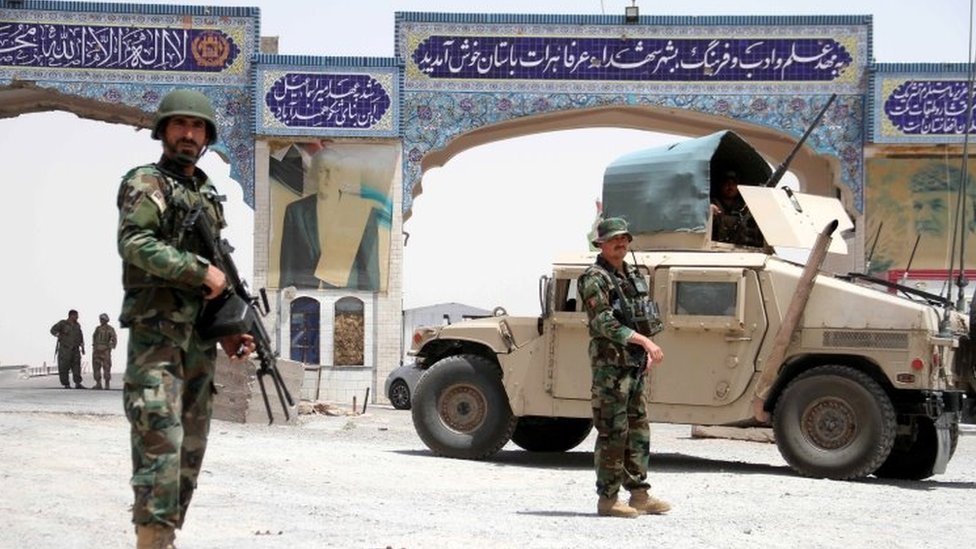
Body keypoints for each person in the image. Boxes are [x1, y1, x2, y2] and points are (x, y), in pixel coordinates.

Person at [116, 88, 255, 548]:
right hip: (156, 342)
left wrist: (231, 330)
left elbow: (217, 276)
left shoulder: (209, 195)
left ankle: (166, 539)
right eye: (180, 125)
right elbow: (135, 243)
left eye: (197, 128)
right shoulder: (146, 183)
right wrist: (199, 270)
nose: (189, 134)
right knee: (161, 447)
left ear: (208, 136)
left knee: (189, 456)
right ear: (163, 131)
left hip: (197, 347)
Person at [578, 217, 671, 518]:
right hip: (610, 368)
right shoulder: (594, 278)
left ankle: (639, 495)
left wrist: (643, 351)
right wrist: (644, 342)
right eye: (614, 238)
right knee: (613, 432)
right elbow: (603, 321)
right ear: (600, 244)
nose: (621, 243)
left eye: (625, 238)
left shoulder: (632, 275)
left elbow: (641, 315)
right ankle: (608, 500)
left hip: (633, 365)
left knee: (638, 431)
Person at [279, 147, 389, 291]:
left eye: (335, 171)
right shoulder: (295, 212)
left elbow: (370, 268)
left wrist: (373, 305)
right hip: (305, 298)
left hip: (348, 301)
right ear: (313, 175)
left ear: (341, 175)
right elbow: (287, 265)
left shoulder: (360, 212)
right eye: (322, 170)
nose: (329, 177)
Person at [710, 170, 764, 247]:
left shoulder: (745, 206)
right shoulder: (712, 203)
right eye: (726, 183)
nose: (730, 186)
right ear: (720, 185)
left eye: (734, 183)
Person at [50, 309, 85, 389]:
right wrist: (58, 335)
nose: (77, 317)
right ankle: (66, 384)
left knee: (77, 367)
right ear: (71, 315)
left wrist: (82, 347)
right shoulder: (62, 323)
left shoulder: (77, 325)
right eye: (76, 315)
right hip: (65, 349)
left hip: (75, 349)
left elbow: (80, 336)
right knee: (64, 367)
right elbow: (52, 330)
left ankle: (78, 383)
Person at [91, 313, 117, 390]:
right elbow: (94, 337)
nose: (101, 321)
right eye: (101, 319)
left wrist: (111, 347)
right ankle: (98, 383)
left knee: (107, 367)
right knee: (96, 367)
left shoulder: (110, 329)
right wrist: (95, 346)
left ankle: (107, 384)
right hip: (97, 350)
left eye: (103, 319)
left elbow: (114, 338)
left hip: (105, 350)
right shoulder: (97, 328)